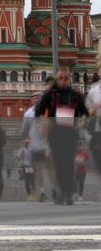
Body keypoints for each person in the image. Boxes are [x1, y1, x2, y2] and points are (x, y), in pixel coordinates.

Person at [35, 66, 89, 206]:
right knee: (58, 162)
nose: (63, 80)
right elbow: (40, 112)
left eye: (66, 78)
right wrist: (44, 123)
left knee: (68, 161)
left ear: (69, 79)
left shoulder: (75, 95)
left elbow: (83, 113)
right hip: (55, 132)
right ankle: (61, 191)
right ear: (57, 79)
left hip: (71, 133)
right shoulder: (50, 94)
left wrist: (81, 122)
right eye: (61, 78)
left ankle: (68, 193)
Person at [21, 94, 50, 203]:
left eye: (39, 97)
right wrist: (26, 139)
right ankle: (41, 191)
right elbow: (24, 129)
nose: (37, 99)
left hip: (47, 144)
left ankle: (55, 189)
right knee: (37, 169)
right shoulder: (29, 113)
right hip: (35, 145)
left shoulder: (47, 110)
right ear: (31, 101)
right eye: (34, 98)